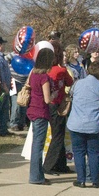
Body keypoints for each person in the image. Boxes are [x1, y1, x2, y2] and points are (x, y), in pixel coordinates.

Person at [67, 58, 99, 188]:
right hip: (94, 124)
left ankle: (81, 179)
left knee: (79, 152)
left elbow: (71, 96)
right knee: (94, 152)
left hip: (76, 123)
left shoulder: (78, 83)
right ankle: (95, 180)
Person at [26, 47, 56, 185]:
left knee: (36, 144)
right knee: (38, 146)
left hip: (32, 110)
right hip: (41, 112)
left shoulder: (33, 74)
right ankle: (36, 177)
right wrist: (55, 94)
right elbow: (47, 99)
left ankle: (38, 174)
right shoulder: (44, 77)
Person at [43, 44, 74, 175]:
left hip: (49, 104)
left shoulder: (46, 70)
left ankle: (60, 164)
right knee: (58, 135)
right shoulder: (60, 70)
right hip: (57, 104)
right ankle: (48, 165)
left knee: (59, 134)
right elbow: (70, 82)